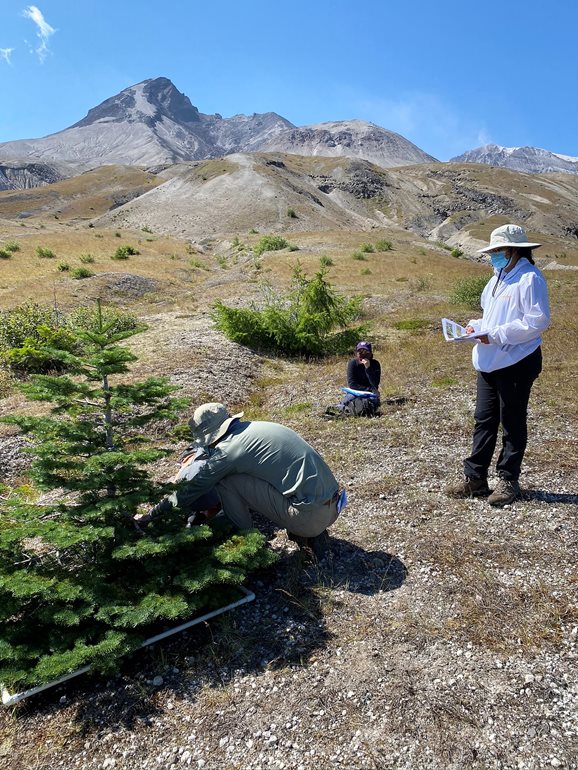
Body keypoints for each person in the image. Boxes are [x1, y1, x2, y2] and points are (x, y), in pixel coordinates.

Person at [142, 403, 342, 556]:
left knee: (227, 481)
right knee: (246, 475)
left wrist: (151, 515)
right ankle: (307, 532)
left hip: (310, 517)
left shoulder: (230, 450)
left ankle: (251, 545)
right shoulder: (255, 428)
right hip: (332, 508)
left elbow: (192, 489)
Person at [446, 223, 550, 506]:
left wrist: (496, 335)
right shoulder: (496, 279)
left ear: (514, 250)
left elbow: (537, 321)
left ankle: (509, 480)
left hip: (517, 361)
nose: (493, 256)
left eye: (498, 251)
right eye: (492, 251)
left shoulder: (530, 279)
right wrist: (474, 327)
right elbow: (490, 317)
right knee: (484, 419)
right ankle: (476, 478)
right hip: (489, 361)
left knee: (512, 421)